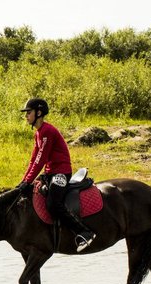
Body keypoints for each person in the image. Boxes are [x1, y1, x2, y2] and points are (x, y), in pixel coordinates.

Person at [17, 98, 96, 252]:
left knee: (53, 204)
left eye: (29, 112)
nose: (26, 116)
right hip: (50, 172)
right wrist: (25, 180)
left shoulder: (47, 132)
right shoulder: (39, 133)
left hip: (61, 173)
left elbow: (41, 159)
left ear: (38, 113)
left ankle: (84, 232)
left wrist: (28, 180)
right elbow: (33, 159)